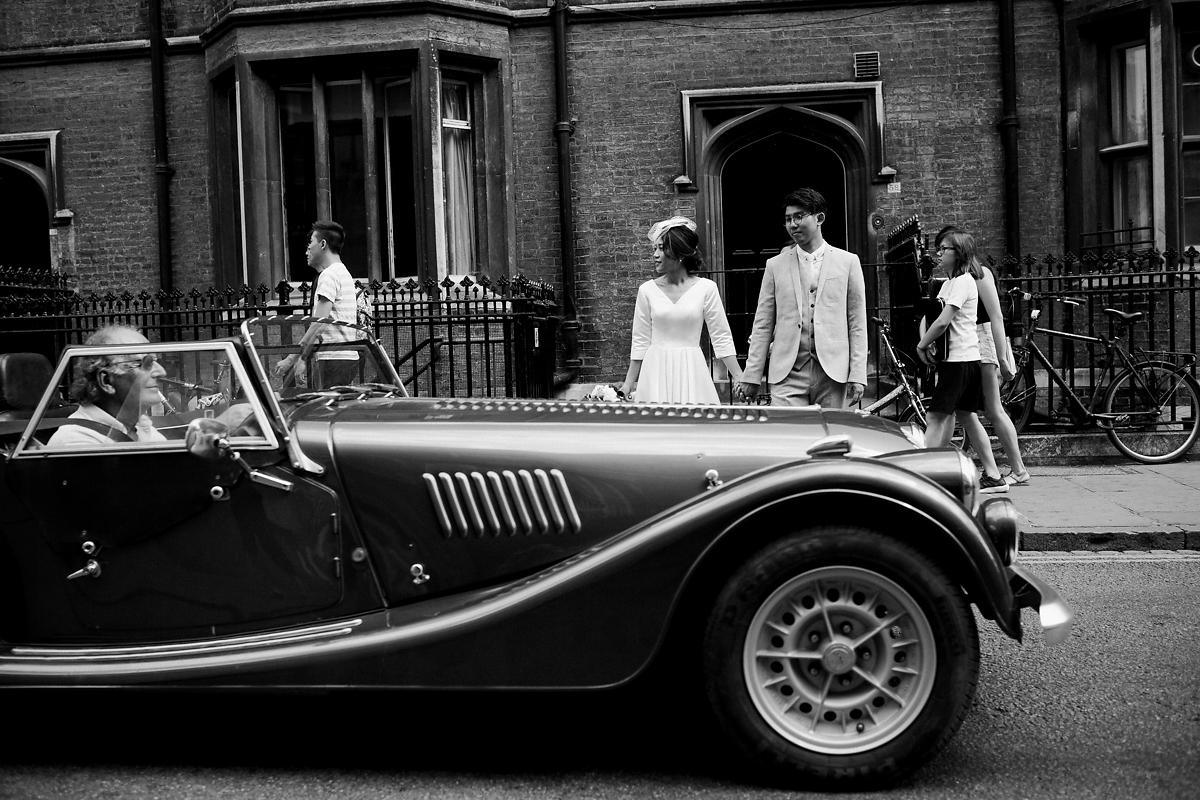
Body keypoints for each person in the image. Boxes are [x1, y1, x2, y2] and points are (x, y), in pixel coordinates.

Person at [736, 188, 867, 408]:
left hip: (832, 373)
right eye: (788, 219)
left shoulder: (848, 262)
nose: (793, 224)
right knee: (790, 437)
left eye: (799, 216)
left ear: (819, 218)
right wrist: (752, 375)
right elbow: (762, 324)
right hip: (787, 372)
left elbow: (857, 323)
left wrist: (858, 373)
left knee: (828, 438)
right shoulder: (775, 266)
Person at [935, 226, 1030, 486]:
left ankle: (1018, 470)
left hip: (982, 341)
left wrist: (1002, 357)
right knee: (968, 410)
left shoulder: (980, 274)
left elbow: (996, 316)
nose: (941, 253)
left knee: (992, 409)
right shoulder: (959, 277)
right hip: (969, 343)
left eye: (946, 247)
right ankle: (999, 470)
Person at [916, 230, 1008, 493]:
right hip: (963, 360)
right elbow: (934, 317)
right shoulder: (947, 284)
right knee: (966, 416)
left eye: (944, 249)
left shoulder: (964, 281)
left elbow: (944, 321)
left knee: (936, 416)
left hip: (959, 363)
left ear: (959, 253)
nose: (939, 254)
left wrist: (922, 344)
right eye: (939, 249)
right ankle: (993, 475)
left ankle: (922, 475)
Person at [620, 216, 744, 403]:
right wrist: (628, 384)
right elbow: (640, 341)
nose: (655, 255)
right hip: (656, 371)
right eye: (654, 248)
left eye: (661, 248)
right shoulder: (647, 290)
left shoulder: (706, 288)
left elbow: (721, 336)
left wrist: (740, 377)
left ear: (679, 252)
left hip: (691, 369)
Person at [46, 324, 169, 447]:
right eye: (145, 364)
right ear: (106, 381)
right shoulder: (76, 441)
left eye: (155, 361)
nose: (161, 372)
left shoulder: (141, 426)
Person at [274, 220, 361, 389]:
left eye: (311, 242)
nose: (308, 248)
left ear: (323, 244)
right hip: (345, 357)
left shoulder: (329, 275)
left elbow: (319, 324)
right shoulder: (343, 272)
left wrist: (293, 358)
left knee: (323, 413)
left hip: (333, 360)